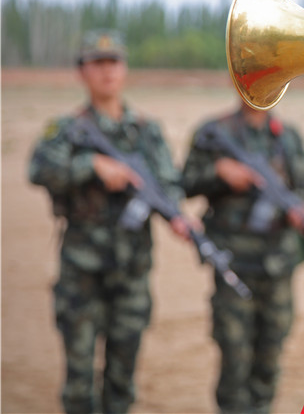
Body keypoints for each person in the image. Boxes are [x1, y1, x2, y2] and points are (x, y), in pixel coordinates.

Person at [28, 30, 193, 414]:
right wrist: (91, 165)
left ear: (125, 69)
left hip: (132, 273)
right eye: (97, 63)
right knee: (79, 383)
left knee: (122, 381)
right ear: (82, 72)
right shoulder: (67, 129)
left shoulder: (147, 130)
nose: (107, 72)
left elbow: (169, 183)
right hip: (82, 274)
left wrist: (176, 214)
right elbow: (38, 168)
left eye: (114, 62)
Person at [182, 100, 304, 414]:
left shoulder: (287, 136)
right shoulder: (214, 131)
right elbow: (185, 181)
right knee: (234, 357)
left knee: (271, 352)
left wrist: (301, 210)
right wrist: (219, 171)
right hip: (234, 262)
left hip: (278, 263)